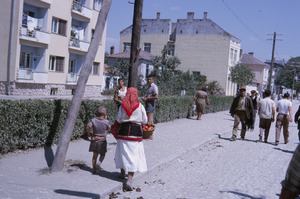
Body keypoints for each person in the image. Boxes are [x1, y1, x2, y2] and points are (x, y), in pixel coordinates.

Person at [115, 87, 148, 191]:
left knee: (122, 153)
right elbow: (145, 120)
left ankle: (122, 174)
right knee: (134, 156)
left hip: (123, 133)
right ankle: (129, 180)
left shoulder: (122, 106)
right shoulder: (141, 106)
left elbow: (118, 120)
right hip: (136, 134)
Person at [86, 107, 111, 174]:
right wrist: (106, 119)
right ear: (105, 114)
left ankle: (93, 170)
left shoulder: (93, 120)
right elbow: (109, 129)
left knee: (94, 156)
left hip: (94, 140)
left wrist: (89, 134)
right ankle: (99, 162)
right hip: (102, 141)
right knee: (103, 154)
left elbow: (88, 126)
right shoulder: (106, 122)